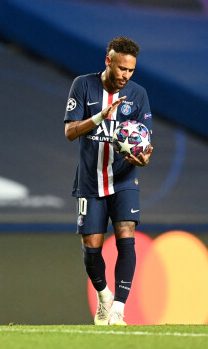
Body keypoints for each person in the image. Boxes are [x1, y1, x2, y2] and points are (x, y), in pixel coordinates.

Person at [64, 36, 153, 326]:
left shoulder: (138, 95)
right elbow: (70, 132)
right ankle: (103, 296)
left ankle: (119, 308)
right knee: (92, 247)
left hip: (124, 179)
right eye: (121, 69)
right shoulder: (83, 85)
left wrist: (143, 158)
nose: (125, 76)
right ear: (108, 61)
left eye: (131, 71)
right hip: (91, 181)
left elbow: (145, 144)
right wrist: (98, 118)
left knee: (127, 236)